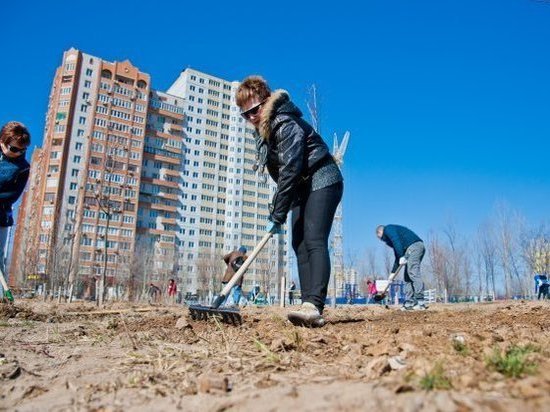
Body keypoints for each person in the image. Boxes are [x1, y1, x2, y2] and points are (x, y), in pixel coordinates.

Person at [236, 76, 343, 327]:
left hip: (322, 178)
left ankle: (314, 304)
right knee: (298, 242)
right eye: (245, 114)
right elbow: (287, 175)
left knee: (314, 238)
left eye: (255, 109)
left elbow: (290, 169)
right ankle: (308, 305)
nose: (251, 116)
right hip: (301, 187)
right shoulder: (265, 132)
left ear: (267, 101)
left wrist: (277, 213)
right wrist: (279, 210)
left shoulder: (284, 123)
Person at [0, 122, 30, 301]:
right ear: (2, 142)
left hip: (1, 217)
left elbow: (11, 195)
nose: (18, 153)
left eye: (22, 150)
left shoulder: (22, 168)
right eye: (14, 149)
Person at [377, 224, 426, 310]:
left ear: (380, 232)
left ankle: (420, 300)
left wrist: (401, 256)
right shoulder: (395, 241)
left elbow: (396, 241)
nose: (383, 240)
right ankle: (410, 301)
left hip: (414, 246)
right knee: (407, 276)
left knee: (413, 272)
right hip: (409, 249)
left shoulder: (388, 229)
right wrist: (392, 273)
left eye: (381, 238)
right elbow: (397, 255)